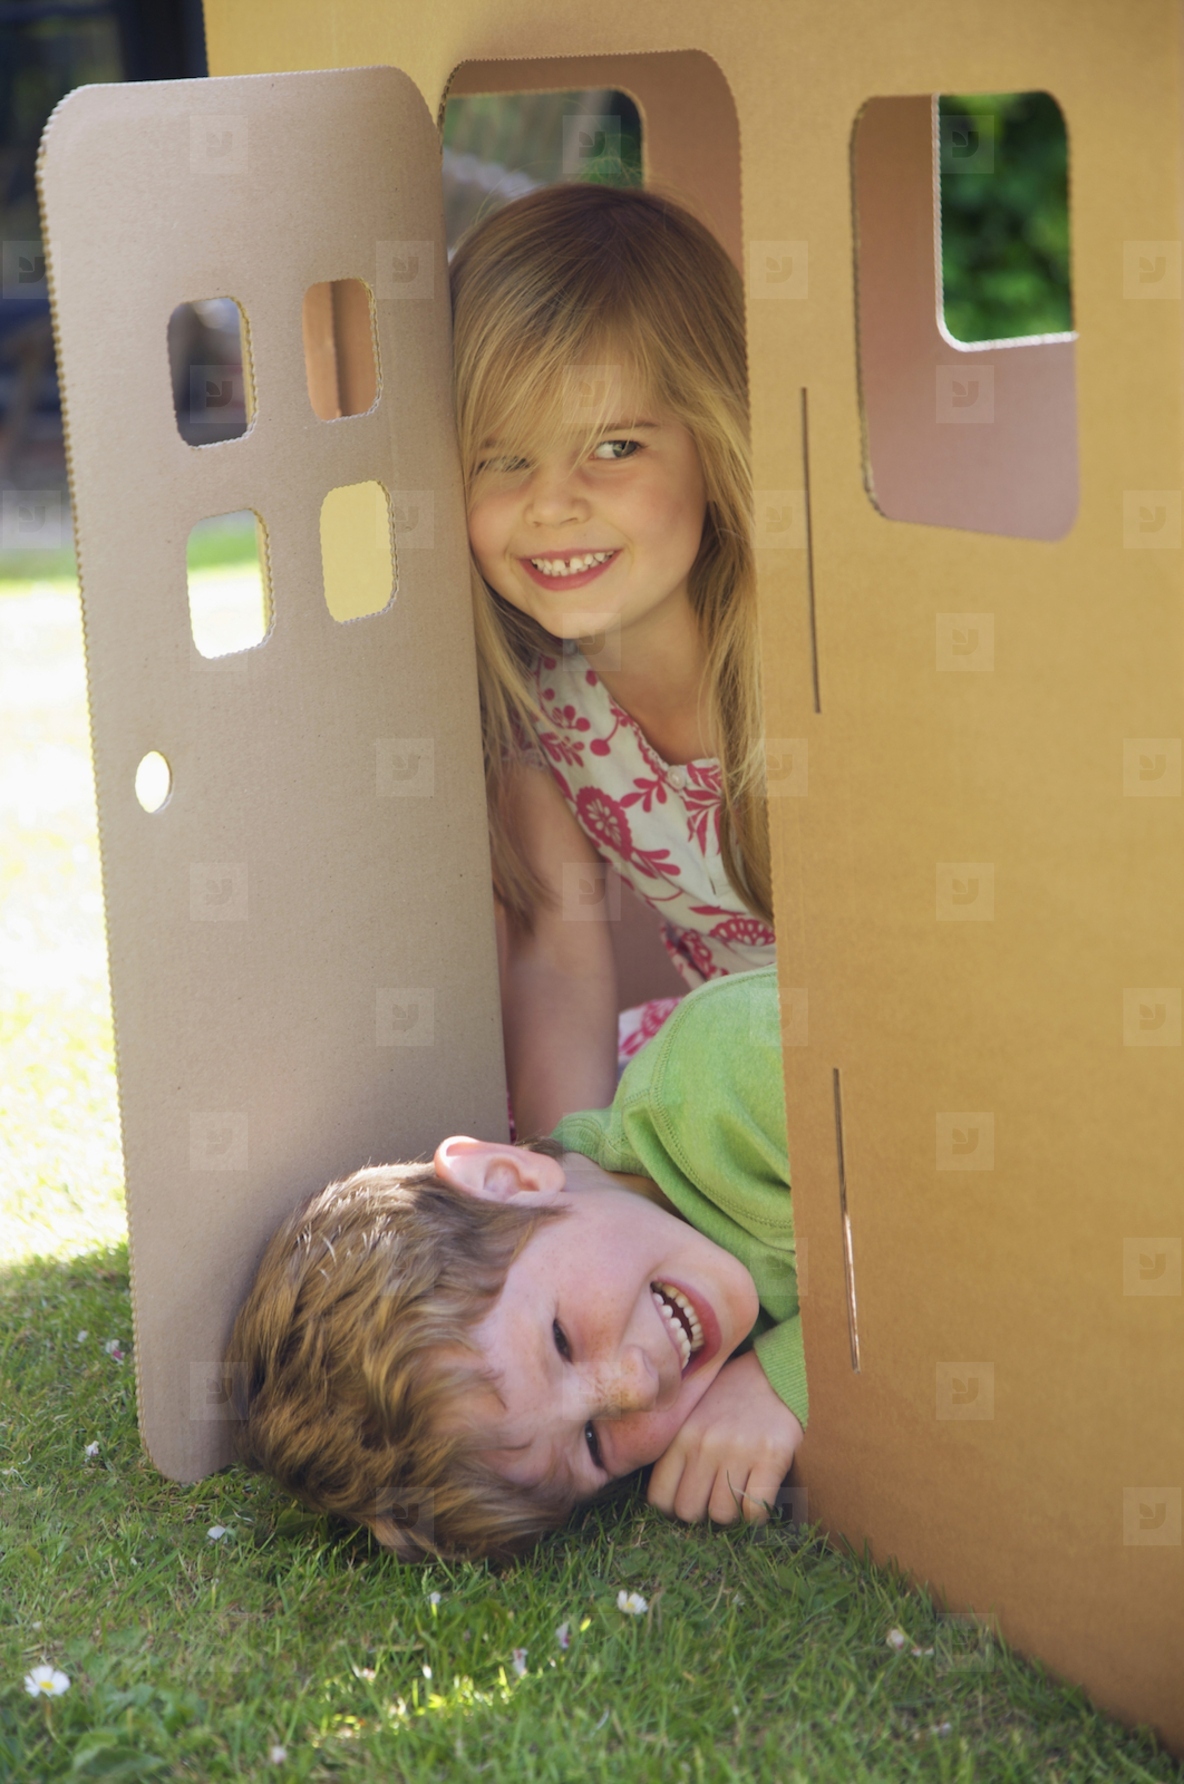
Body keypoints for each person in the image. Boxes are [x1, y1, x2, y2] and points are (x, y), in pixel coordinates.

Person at [224, 967, 805, 1563]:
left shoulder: (737, 1079)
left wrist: (786, 1380)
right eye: (593, 1444)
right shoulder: (690, 1319)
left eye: (562, 1341)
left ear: (509, 1181)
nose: (637, 1384)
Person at [450, 183, 775, 1137]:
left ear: (714, 445)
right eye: (504, 459)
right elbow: (557, 953)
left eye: (614, 446)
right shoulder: (539, 711)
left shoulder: (804, 655)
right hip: (734, 1072)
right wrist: (572, 1182)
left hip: (888, 1041)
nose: (554, 504)